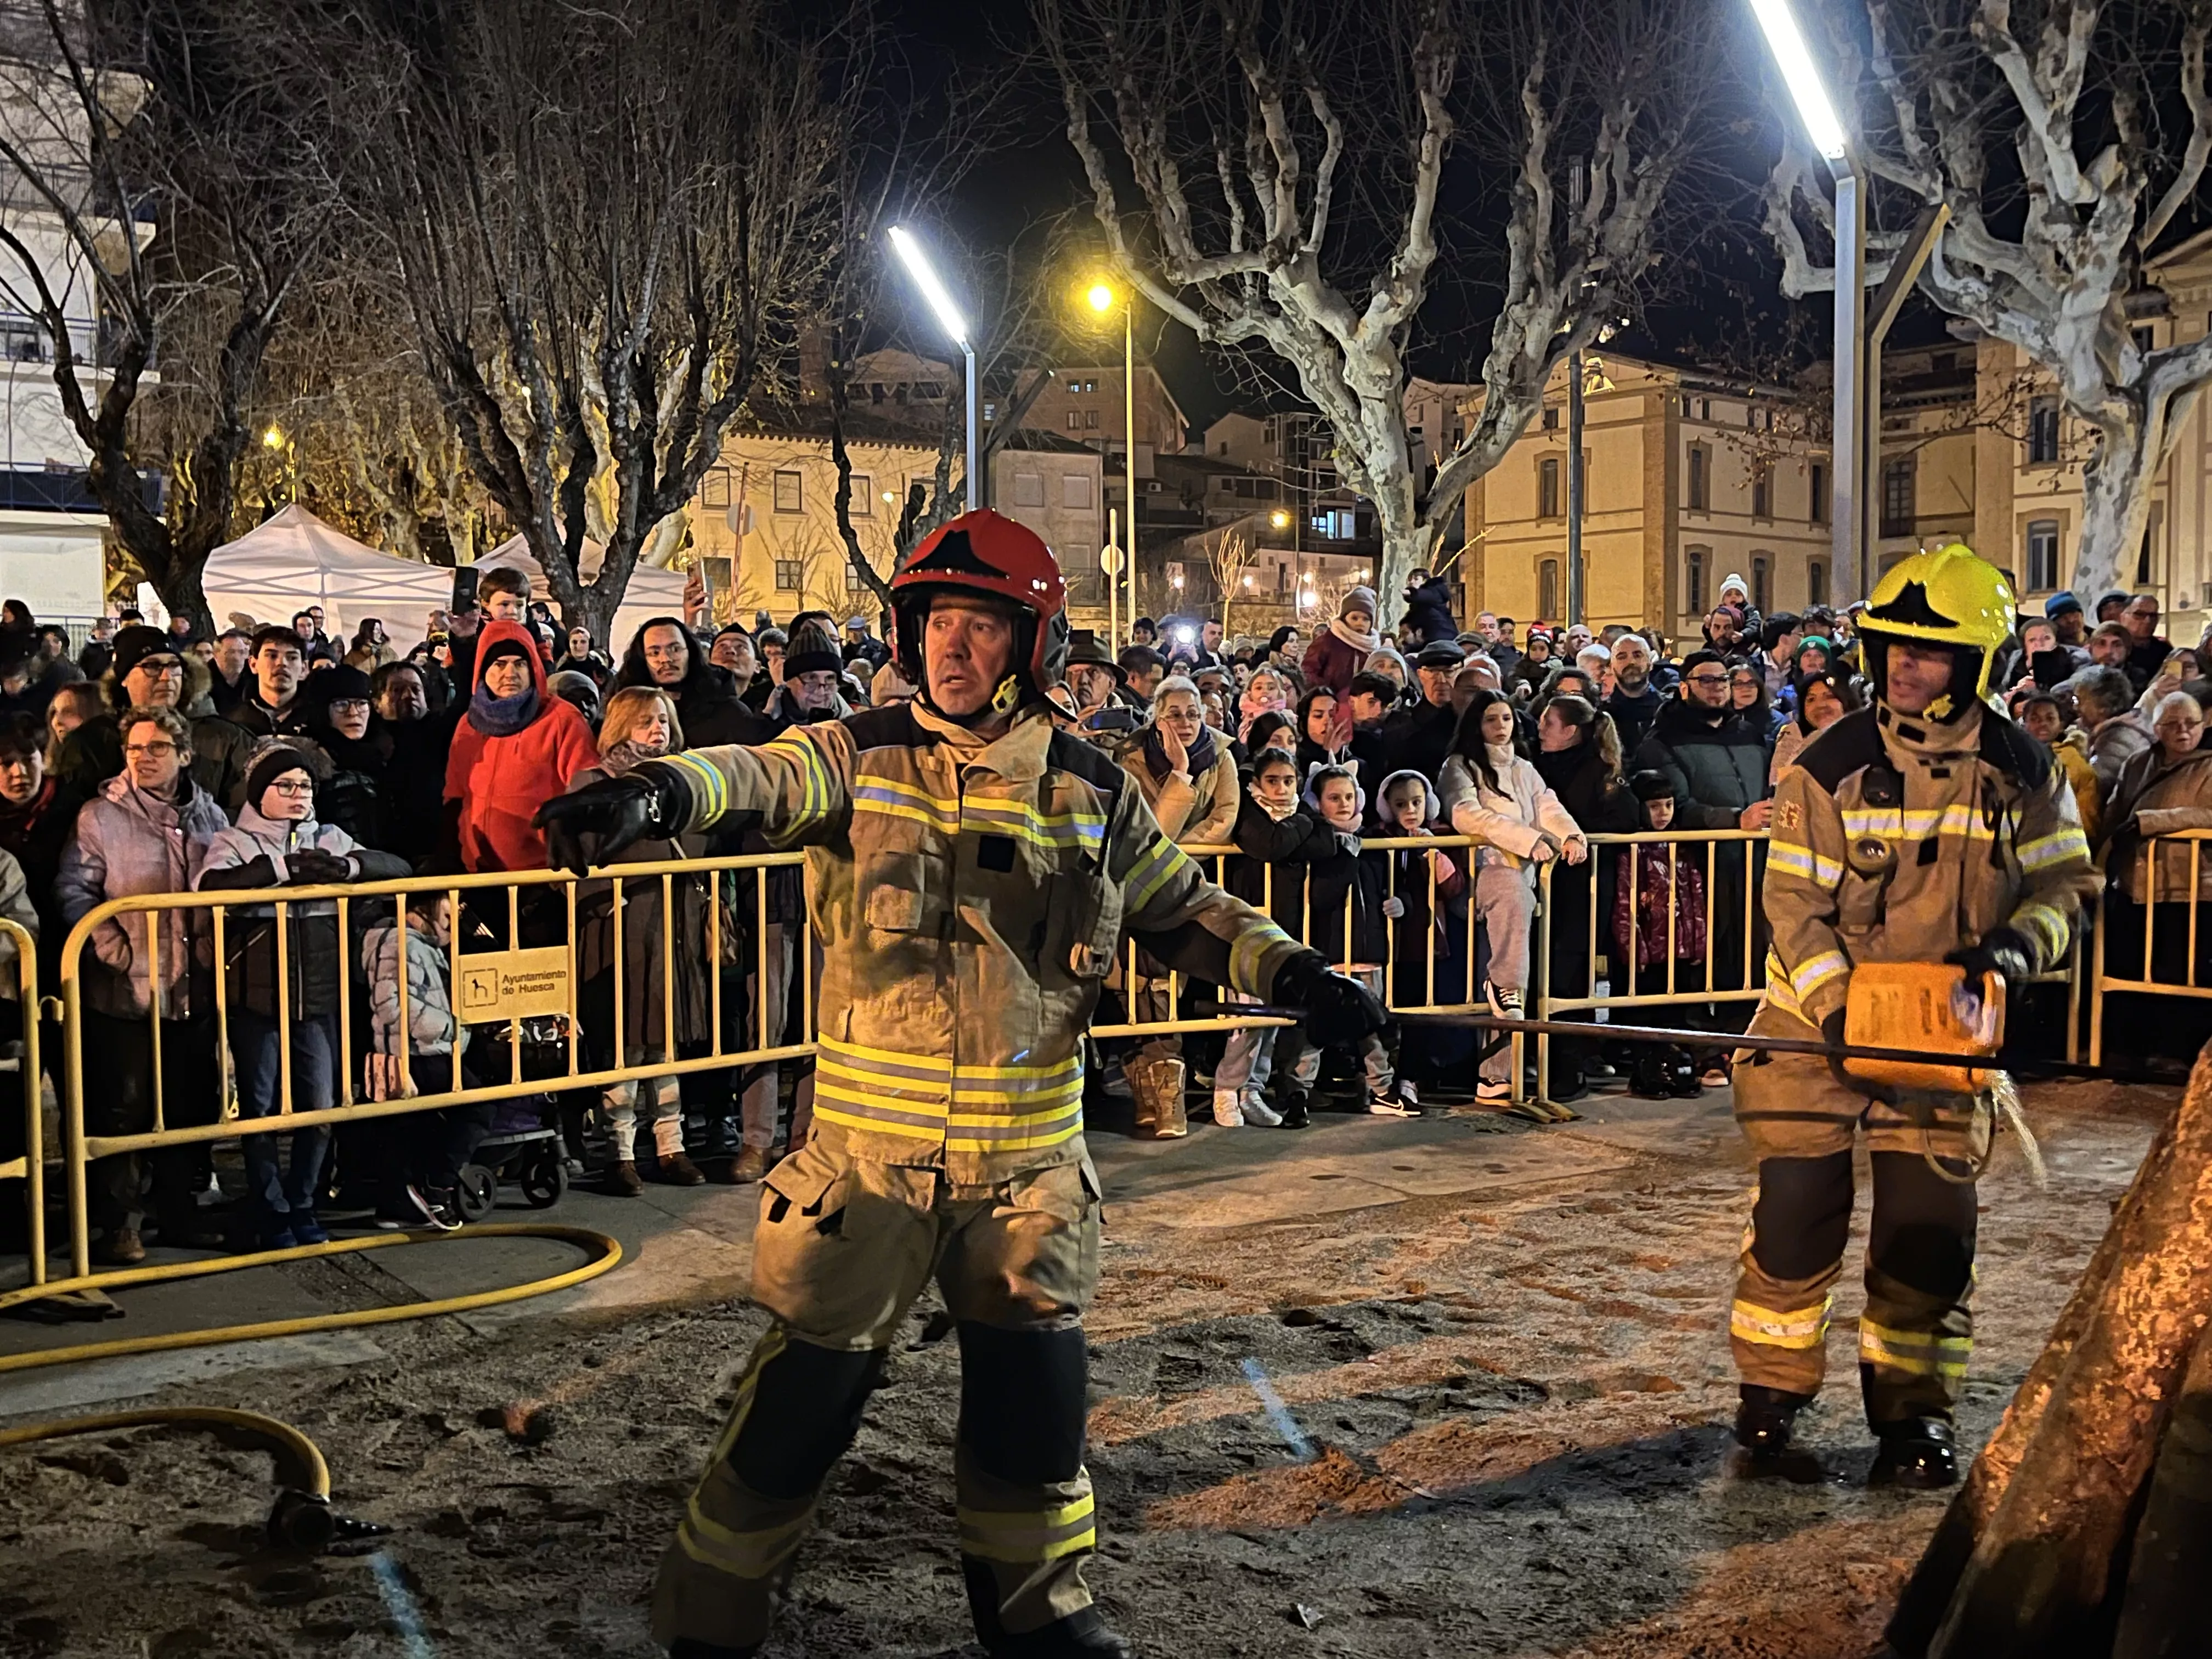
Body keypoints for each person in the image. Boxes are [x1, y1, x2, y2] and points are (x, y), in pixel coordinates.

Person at [535, 509, 1379, 1659]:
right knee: (795, 1420)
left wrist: (1295, 970)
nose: (953, 646)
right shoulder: (856, 750)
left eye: (982, 625)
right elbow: (753, 775)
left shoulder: (1089, 787)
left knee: (1034, 1428)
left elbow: (1185, 908)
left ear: (1030, 643)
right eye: (937, 621)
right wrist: (657, 794)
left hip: (1026, 1182)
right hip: (863, 1180)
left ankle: (1046, 1620)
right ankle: (711, 1623)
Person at [1731, 543, 2098, 1488]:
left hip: (1941, 1031)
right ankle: (1770, 1395)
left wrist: (2017, 948)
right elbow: (1792, 907)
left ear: (1975, 666)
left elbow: (2066, 880)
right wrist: (1836, 1004)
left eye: (1928, 652)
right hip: (1814, 1031)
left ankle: (1911, 1420)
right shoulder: (1830, 763)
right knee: (1796, 1215)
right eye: (1893, 644)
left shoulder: (2023, 767)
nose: (1903, 664)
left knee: (1926, 1235)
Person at [195, 743, 409, 1248]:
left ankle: (303, 1201)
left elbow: (397, 868)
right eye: (284, 786)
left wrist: (347, 870)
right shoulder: (234, 839)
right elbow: (210, 886)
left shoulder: (330, 837)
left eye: (305, 786)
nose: (297, 796)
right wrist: (282, 869)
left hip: (319, 995)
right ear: (259, 793)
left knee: (321, 1104)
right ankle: (269, 1207)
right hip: (257, 996)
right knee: (262, 1106)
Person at [55, 707, 232, 1264]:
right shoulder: (99, 817)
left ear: (183, 754)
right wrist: (114, 949)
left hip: (193, 989)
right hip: (124, 992)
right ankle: (119, 1225)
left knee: (190, 1103)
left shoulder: (211, 816)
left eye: (157, 748)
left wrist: (208, 950)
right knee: (124, 1109)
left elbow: (223, 892)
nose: (144, 758)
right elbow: (75, 891)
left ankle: (180, 1213)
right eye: (135, 748)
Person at [566, 687, 716, 1192]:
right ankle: (620, 1152)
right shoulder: (593, 782)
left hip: (673, 919)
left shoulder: (686, 780)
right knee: (624, 1043)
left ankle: (671, 1147)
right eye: (648, 721)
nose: (659, 730)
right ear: (622, 725)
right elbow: (577, 854)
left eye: (665, 720)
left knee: (665, 1043)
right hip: (618, 923)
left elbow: (698, 839)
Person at [1438, 689, 1590, 1104]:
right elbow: (1467, 814)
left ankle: (1496, 1075)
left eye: (1506, 718)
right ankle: (1496, 1043)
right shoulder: (1460, 767)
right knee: (1508, 980)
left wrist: (1571, 835)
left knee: (1511, 984)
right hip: (1480, 874)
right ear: (1475, 724)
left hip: (1521, 882)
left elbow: (1548, 805)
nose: (1501, 727)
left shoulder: (1524, 768)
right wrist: (1526, 840)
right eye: (1491, 719)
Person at [1273, 762, 1413, 1116]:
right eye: (1334, 798)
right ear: (1318, 803)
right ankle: (1297, 1091)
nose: (1344, 804)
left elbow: (1398, 883)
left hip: (1369, 952)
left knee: (1373, 1026)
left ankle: (1381, 1089)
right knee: (1316, 1030)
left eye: (1349, 796)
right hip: (1329, 955)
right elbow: (1322, 898)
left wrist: (1402, 903)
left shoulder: (1376, 840)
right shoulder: (1318, 846)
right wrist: (1346, 857)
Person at [361, 891, 486, 1229]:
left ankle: (397, 1204)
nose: (457, 911)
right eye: (450, 901)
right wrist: (451, 1029)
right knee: (476, 1106)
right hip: (417, 1052)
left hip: (416, 1050)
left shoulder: (414, 943)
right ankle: (434, 1188)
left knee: (411, 1129)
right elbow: (393, 1005)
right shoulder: (400, 943)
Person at [443, 620, 599, 875]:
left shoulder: (561, 719)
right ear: (483, 670)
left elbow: (587, 785)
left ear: (533, 667)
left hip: (544, 875)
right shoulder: (468, 724)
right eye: (499, 664)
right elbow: (455, 793)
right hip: (477, 875)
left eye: (520, 663)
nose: (510, 673)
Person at [2019, 691, 2101, 842]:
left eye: (2050, 719)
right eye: (2035, 719)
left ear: (2061, 725)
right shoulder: (2015, 759)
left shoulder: (2076, 764)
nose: (2043, 724)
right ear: (2024, 724)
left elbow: (2087, 823)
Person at [1381, 640, 1465, 785]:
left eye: (1449, 671)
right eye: (1433, 672)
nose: (1442, 680)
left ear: (1461, 673)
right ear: (1420, 675)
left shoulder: (1469, 720)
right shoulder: (1401, 723)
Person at [2072, 663, 2152, 800]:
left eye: (2079, 700)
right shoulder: (2128, 725)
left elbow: (2094, 788)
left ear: (2103, 706)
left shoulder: (2118, 740)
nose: (2075, 707)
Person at [1770, 668, 1861, 786]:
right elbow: (1778, 786)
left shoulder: (1866, 735)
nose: (1820, 705)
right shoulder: (1793, 735)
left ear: (1846, 702)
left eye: (1830, 696)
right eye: (1811, 700)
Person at [1301, 586, 1380, 714]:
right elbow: (1308, 671)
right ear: (1344, 618)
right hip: (1330, 707)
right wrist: (1328, 693)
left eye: (1366, 619)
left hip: (1362, 710)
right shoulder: (1328, 641)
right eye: (1355, 618)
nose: (1360, 623)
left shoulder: (1374, 648)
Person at [1602, 633, 1664, 754]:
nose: (1631, 662)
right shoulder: (1601, 716)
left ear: (1650, 663)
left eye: (1638, 655)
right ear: (1611, 667)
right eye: (1621, 657)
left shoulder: (1669, 711)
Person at [1401, 569, 1458, 647]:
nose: (1412, 582)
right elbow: (1414, 615)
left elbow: (1424, 595)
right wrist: (1405, 623)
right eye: (1410, 579)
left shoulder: (1435, 591)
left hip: (1443, 637)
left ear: (1425, 580)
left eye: (1416, 579)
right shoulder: (1419, 604)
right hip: (1430, 638)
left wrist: (1411, 593)